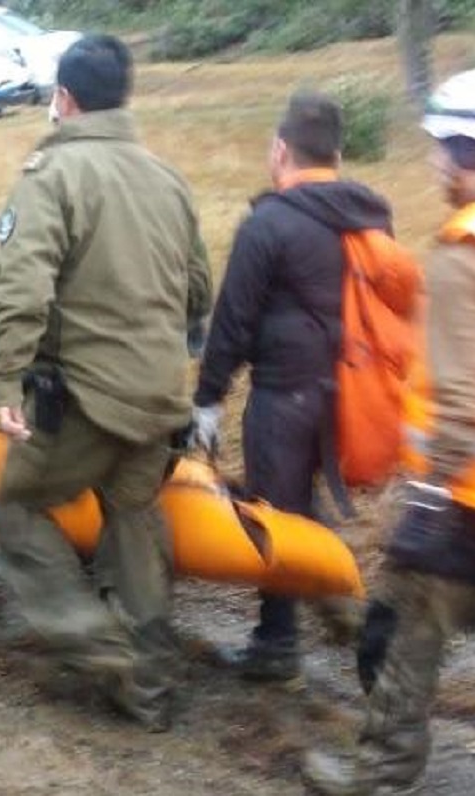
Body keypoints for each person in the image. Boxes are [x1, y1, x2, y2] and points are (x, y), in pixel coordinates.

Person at [0, 34, 213, 731]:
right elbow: (199, 290)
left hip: (86, 397)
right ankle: (151, 689)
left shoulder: (52, 176)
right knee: (133, 517)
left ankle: (96, 641)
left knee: (16, 507)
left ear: (65, 99)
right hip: (163, 393)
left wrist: (0, 381)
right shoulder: (167, 178)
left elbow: (22, 288)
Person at [303, 68, 475, 796]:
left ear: (466, 148)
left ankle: (381, 776)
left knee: (407, 622)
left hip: (466, 496)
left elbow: (462, 392)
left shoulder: (464, 249)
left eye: (442, 147)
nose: (435, 162)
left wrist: (430, 491)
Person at [189, 91, 393, 682]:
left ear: (281, 149)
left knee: (271, 514)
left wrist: (207, 399)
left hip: (285, 395)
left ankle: (279, 643)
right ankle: (339, 607)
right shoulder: (365, 214)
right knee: (301, 506)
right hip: (346, 393)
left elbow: (233, 320)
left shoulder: (269, 223)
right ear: (337, 153)